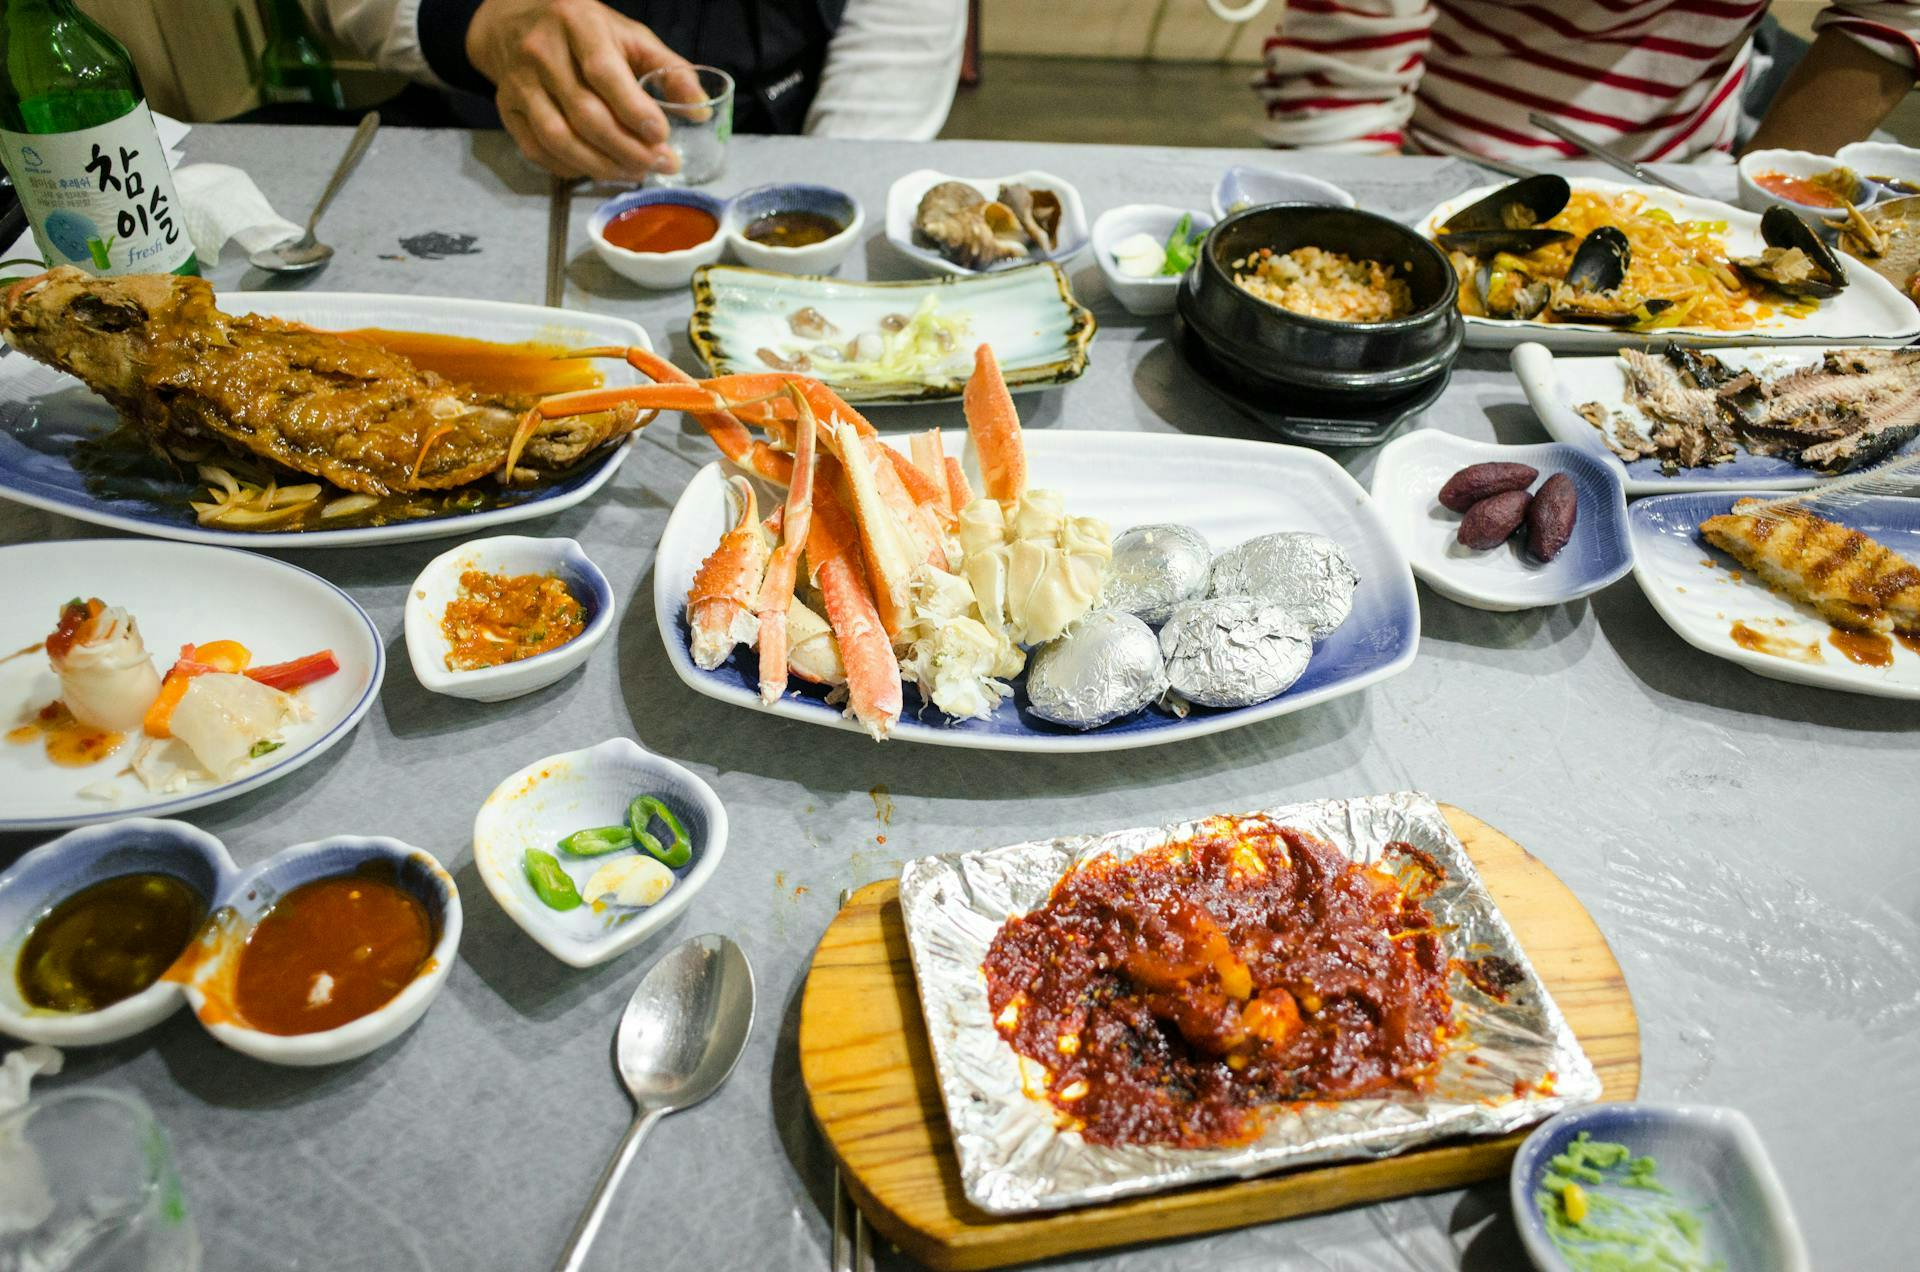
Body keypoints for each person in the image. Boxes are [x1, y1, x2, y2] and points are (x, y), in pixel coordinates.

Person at [302, 0, 966, 179]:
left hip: (774, 139)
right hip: (486, 133)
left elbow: (895, 43)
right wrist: (480, 27)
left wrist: (829, 174)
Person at [1250, 0, 1920, 160]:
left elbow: (1888, 12)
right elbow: (1338, 99)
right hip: (1434, 170)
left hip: (1681, 175)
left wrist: (1761, 220)